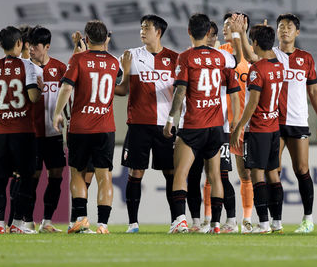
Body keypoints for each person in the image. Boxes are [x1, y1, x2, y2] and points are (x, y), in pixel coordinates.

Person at [231, 13, 317, 234]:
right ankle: (274, 221)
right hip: (274, 122)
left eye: (289, 26)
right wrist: (246, 35)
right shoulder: (274, 56)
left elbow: (313, 90)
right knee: (273, 172)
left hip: (298, 120)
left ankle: (307, 218)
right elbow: (251, 54)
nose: (285, 30)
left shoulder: (306, 58)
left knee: (301, 169)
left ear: (297, 32)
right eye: (281, 26)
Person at [163, 13, 236, 234]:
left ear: (188, 31)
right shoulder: (222, 57)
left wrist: (170, 119)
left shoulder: (185, 57)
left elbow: (181, 90)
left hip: (193, 125)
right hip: (216, 127)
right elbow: (238, 60)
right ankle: (215, 223)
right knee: (215, 176)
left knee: (181, 174)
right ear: (208, 33)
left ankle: (180, 221)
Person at [52, 20, 125, 234]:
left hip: (80, 128)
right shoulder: (113, 62)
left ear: (86, 37)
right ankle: (103, 224)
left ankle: (81, 219)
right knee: (105, 177)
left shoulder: (78, 59)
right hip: (105, 127)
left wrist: (57, 113)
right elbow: (117, 79)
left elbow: (66, 87)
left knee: (77, 174)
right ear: (106, 39)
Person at [116, 15, 178, 233]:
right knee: (135, 173)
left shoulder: (175, 59)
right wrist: (124, 73)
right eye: (141, 27)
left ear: (158, 32)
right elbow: (120, 90)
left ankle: (176, 222)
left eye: (147, 28)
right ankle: (133, 223)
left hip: (165, 126)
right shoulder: (129, 56)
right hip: (138, 124)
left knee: (171, 173)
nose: (142, 31)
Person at [0, 26, 42, 235]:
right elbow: (33, 97)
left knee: (0, 180)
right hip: (23, 131)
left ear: (0, 45)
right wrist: (38, 88)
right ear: (19, 44)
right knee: (24, 179)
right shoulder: (28, 67)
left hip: (1, 132)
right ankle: (15, 224)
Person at [230, 25, 285, 233]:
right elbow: (256, 56)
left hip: (259, 129)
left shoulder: (257, 70)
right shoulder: (278, 66)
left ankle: (262, 223)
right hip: (274, 128)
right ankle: (277, 222)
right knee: (273, 175)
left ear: (254, 43)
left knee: (257, 175)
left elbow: (252, 104)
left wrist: (238, 128)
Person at [186, 21, 241, 233]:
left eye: (213, 35)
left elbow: (235, 93)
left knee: (221, 175)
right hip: (195, 125)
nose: (209, 38)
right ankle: (197, 222)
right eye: (207, 34)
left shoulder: (223, 62)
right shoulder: (190, 59)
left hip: (220, 126)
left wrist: (234, 121)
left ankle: (231, 220)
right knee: (194, 174)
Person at [27, 26, 68, 233]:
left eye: (35, 45)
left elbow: (68, 97)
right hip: (32, 134)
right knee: (31, 178)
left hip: (53, 134)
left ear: (47, 46)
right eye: (29, 45)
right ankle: (26, 221)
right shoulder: (25, 69)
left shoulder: (60, 69)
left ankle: (47, 221)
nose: (31, 49)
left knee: (56, 176)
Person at [219, 12, 254, 233]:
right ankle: (214, 219)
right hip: (222, 122)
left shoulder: (252, 55)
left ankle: (247, 219)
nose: (226, 28)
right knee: (218, 173)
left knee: (245, 174)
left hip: (246, 123)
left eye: (230, 24)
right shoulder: (220, 52)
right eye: (224, 24)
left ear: (244, 26)